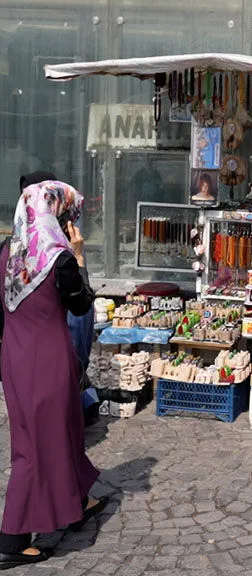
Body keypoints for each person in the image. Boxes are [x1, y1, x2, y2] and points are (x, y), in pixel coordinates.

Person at [0, 181, 108, 569]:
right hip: (48, 359)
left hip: (15, 357)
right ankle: (11, 540)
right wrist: (78, 256)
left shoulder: (8, 252)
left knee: (63, 431)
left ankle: (77, 498)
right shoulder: (58, 258)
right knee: (36, 447)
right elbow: (80, 306)